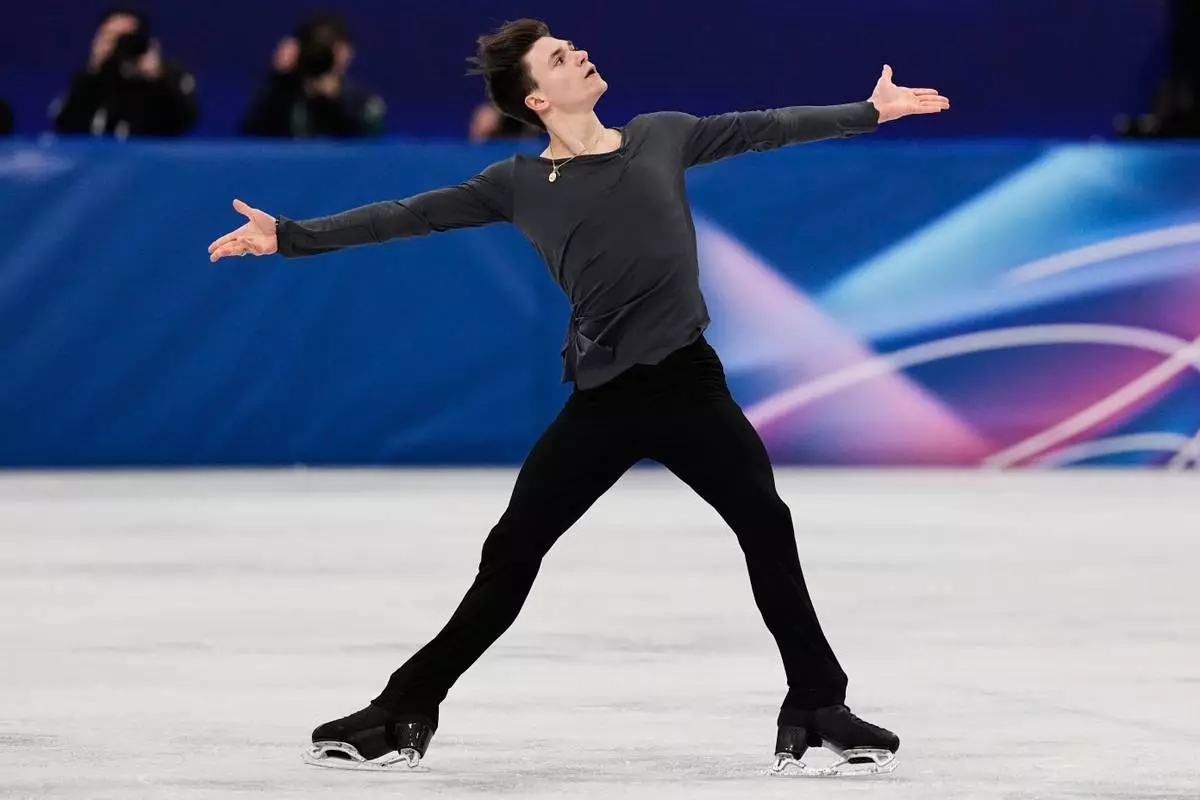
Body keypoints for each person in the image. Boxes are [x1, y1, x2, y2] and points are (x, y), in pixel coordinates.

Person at [208, 18, 948, 777]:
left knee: (767, 524)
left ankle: (818, 704)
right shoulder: (516, 184)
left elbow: (768, 127)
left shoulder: (662, 135)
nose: (582, 53)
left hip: (690, 383)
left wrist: (870, 111)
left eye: (574, 46)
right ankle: (403, 708)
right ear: (536, 97)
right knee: (512, 554)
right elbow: (409, 215)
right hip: (604, 400)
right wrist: (291, 236)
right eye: (561, 57)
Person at [50, 7, 197, 138]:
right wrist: (92, 74)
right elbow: (64, 125)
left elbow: (184, 121)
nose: (116, 47)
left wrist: (157, 78)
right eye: (109, 37)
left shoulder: (169, 76)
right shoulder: (87, 80)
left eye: (124, 39)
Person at [238, 11, 386, 139]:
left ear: (347, 52)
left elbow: (370, 142)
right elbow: (250, 135)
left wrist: (336, 99)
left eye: (329, 47)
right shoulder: (281, 96)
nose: (321, 56)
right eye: (316, 47)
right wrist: (277, 77)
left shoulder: (363, 101)